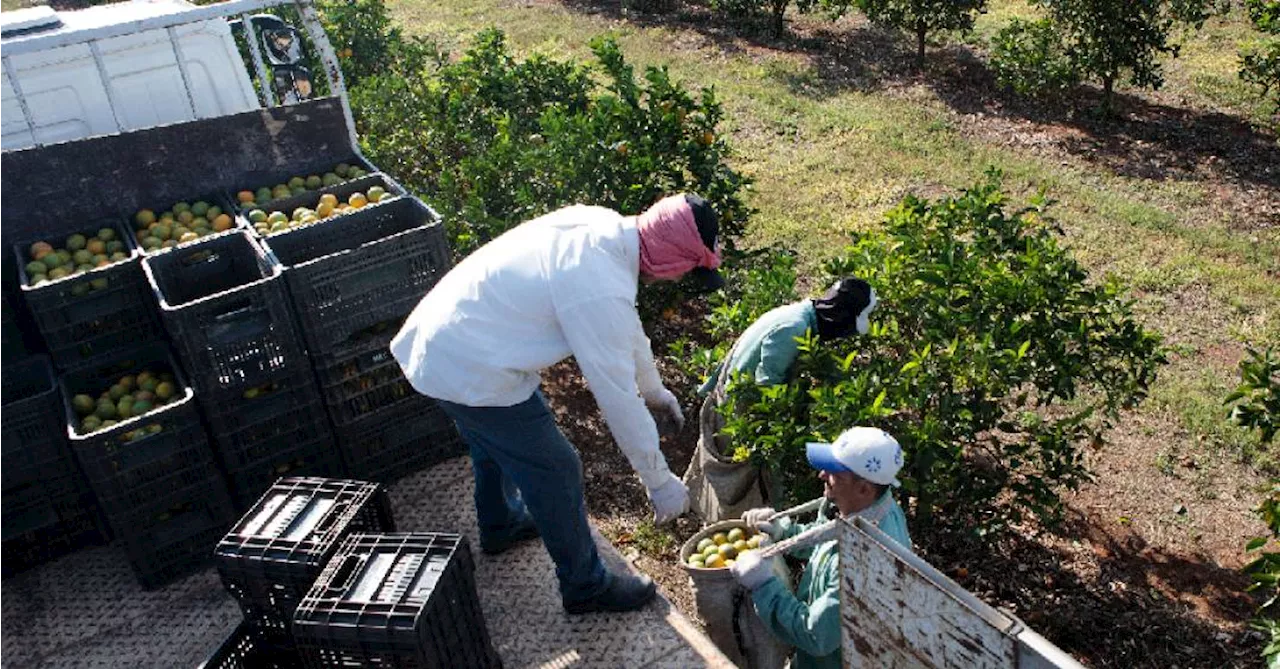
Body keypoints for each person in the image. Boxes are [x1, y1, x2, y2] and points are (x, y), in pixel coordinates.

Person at [390, 193, 723, 614]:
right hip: (466, 364)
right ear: (672, 257)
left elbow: (628, 329)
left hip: (449, 341)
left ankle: (499, 524)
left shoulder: (605, 228)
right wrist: (659, 482)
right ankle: (585, 586)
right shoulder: (597, 287)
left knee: (495, 443)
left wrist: (655, 392)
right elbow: (616, 396)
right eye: (687, 271)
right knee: (555, 466)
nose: (678, 281)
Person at [684, 279, 878, 520]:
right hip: (738, 410)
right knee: (741, 480)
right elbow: (768, 387)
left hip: (733, 397)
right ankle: (733, 526)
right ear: (840, 316)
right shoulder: (793, 329)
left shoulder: (798, 313)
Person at [729, 427, 911, 669]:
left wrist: (764, 586)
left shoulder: (862, 562)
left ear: (864, 488)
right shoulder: (877, 508)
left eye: (834, 472)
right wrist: (785, 533)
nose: (822, 475)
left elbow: (816, 636)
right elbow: (826, 536)